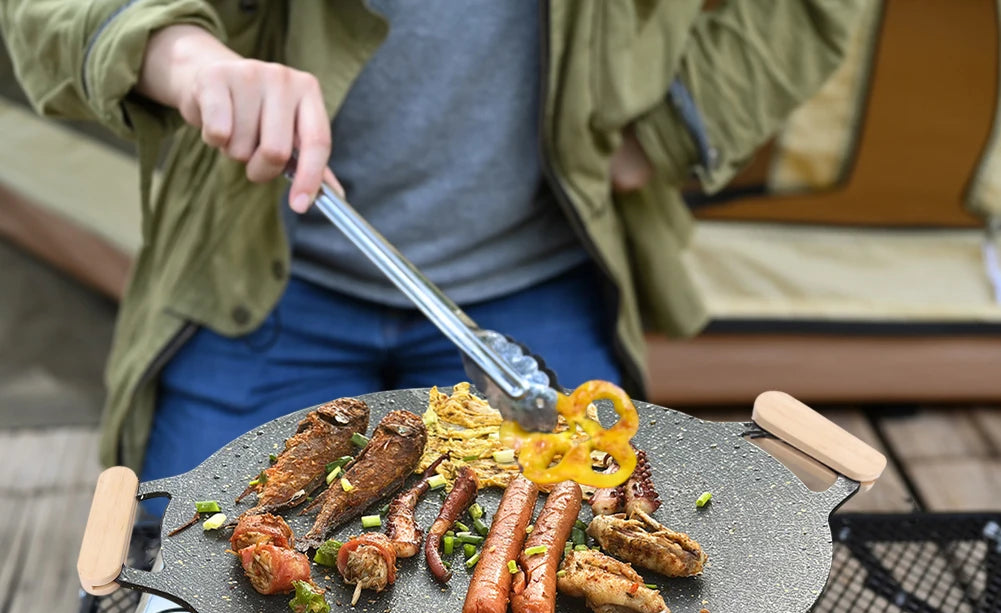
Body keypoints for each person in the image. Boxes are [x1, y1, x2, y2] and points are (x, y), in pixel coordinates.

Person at [0, 1, 865, 484]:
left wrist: (681, 123)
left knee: (583, 560)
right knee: (192, 592)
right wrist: (185, 58)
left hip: (535, 278)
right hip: (253, 283)